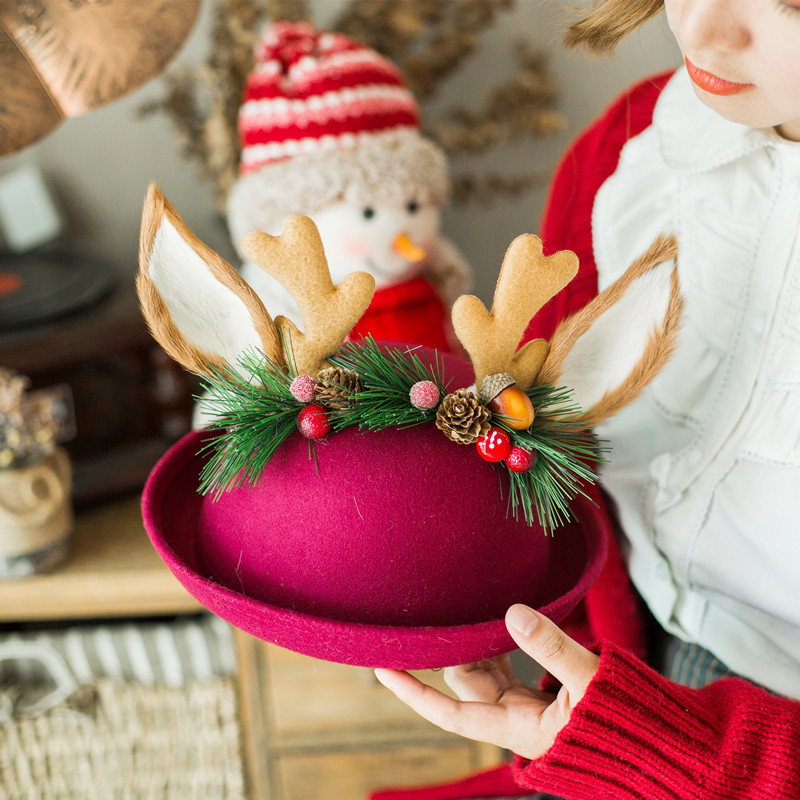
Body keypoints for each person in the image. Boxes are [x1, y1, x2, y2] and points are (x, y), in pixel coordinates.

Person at [372, 1, 800, 798]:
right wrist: (552, 654)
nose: (702, 30)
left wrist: (660, 748)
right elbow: (558, 452)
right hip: (631, 671)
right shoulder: (630, 154)